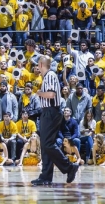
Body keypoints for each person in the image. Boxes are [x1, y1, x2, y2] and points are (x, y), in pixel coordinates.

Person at [32, 56, 77, 186]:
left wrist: (39, 93)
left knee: (47, 144)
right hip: (48, 112)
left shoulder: (50, 75)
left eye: (37, 65)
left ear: (41, 64)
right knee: (46, 145)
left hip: (51, 111)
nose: (36, 67)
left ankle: (69, 167)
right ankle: (45, 176)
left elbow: (51, 94)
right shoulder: (47, 76)